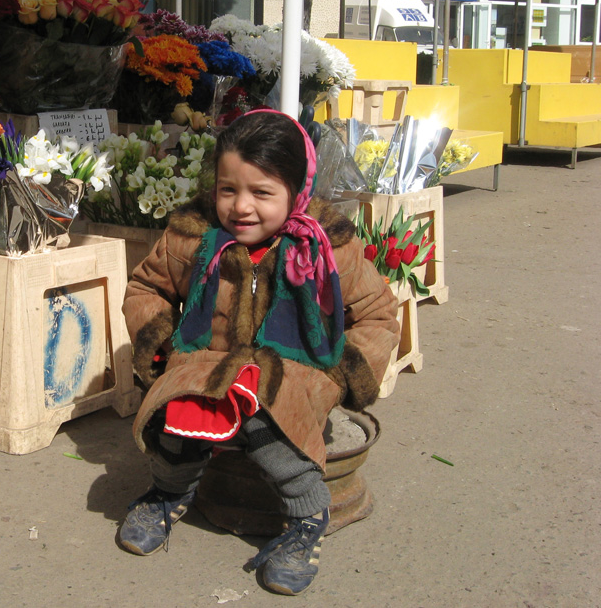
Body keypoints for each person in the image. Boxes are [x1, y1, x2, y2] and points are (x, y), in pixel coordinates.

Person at [118, 109, 400, 596]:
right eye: (228, 189)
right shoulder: (191, 236)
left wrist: (344, 369)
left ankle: (307, 517)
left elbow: (377, 314)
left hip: (296, 370)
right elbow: (147, 288)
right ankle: (169, 491)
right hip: (207, 361)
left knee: (268, 416)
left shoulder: (327, 247)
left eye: (262, 193)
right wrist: (161, 343)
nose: (241, 207)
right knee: (178, 411)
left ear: (297, 191)